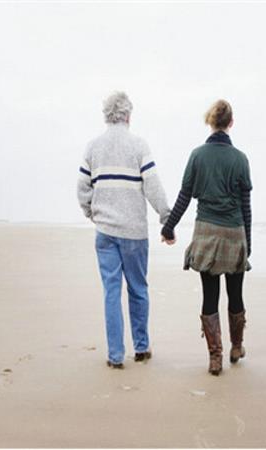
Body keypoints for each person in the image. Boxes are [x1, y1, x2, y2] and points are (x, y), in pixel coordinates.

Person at [77, 91, 171, 369]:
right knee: (138, 289)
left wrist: (92, 214)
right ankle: (141, 348)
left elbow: (82, 188)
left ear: (106, 115)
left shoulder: (93, 147)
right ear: (128, 115)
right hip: (134, 232)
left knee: (111, 292)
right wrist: (166, 216)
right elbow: (152, 186)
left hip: (105, 231)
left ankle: (115, 355)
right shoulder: (138, 145)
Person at [161, 99, 252, 376]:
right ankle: (237, 347)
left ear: (210, 122)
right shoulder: (240, 159)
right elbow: (246, 206)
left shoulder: (197, 156)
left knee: (210, 295)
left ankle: (215, 358)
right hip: (234, 233)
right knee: (235, 293)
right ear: (231, 123)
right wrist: (247, 243)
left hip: (207, 233)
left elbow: (184, 196)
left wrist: (169, 227)